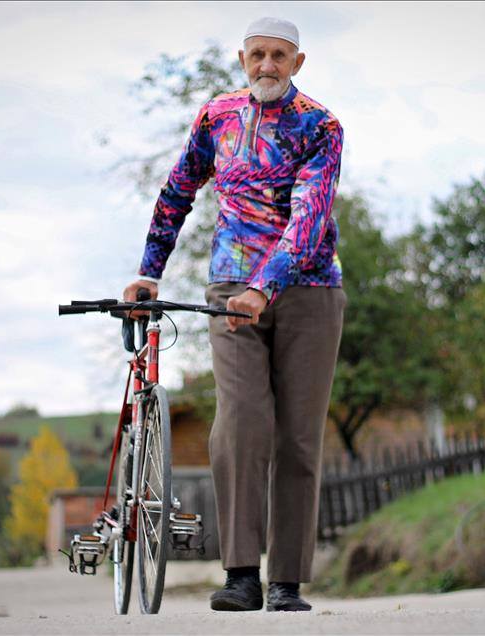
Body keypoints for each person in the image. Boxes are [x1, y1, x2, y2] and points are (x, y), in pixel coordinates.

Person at [123, 16, 345, 612]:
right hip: (230, 290)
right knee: (241, 423)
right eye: (257, 55)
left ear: (297, 63)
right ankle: (243, 575)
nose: (267, 66)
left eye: (279, 56)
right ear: (242, 59)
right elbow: (177, 190)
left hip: (309, 290)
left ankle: (287, 584)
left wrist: (266, 284)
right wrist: (150, 272)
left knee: (298, 439)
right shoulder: (216, 116)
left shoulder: (320, 125)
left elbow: (310, 214)